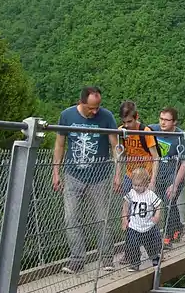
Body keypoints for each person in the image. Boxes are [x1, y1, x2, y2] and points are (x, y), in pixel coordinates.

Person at [52, 86, 118, 274]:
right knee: (71, 218)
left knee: (101, 219)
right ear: (81, 102)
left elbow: (115, 146)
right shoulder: (66, 116)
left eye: (97, 107)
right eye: (91, 107)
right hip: (73, 175)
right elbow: (60, 144)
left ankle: (106, 259)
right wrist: (55, 172)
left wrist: (117, 173)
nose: (95, 111)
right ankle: (77, 260)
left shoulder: (107, 117)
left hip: (100, 176)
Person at [148, 107, 185, 249]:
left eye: (167, 120)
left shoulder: (181, 136)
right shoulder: (152, 130)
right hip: (159, 175)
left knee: (168, 203)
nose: (163, 122)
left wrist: (175, 184)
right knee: (169, 204)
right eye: (161, 118)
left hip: (175, 176)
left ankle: (167, 237)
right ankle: (178, 228)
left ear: (174, 122)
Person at [121, 168, 162, 272]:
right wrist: (124, 219)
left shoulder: (150, 194)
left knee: (151, 245)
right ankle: (135, 264)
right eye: (134, 185)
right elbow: (125, 206)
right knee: (132, 245)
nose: (136, 187)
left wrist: (157, 216)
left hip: (148, 226)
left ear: (146, 184)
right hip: (134, 226)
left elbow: (158, 206)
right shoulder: (131, 193)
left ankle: (155, 259)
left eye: (139, 185)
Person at [116, 100, 159, 194]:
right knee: (128, 203)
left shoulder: (145, 132)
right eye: (124, 122)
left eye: (130, 121)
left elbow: (156, 157)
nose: (126, 125)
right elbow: (121, 155)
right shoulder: (121, 131)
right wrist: (117, 176)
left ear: (136, 117)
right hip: (130, 175)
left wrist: (152, 181)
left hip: (145, 176)